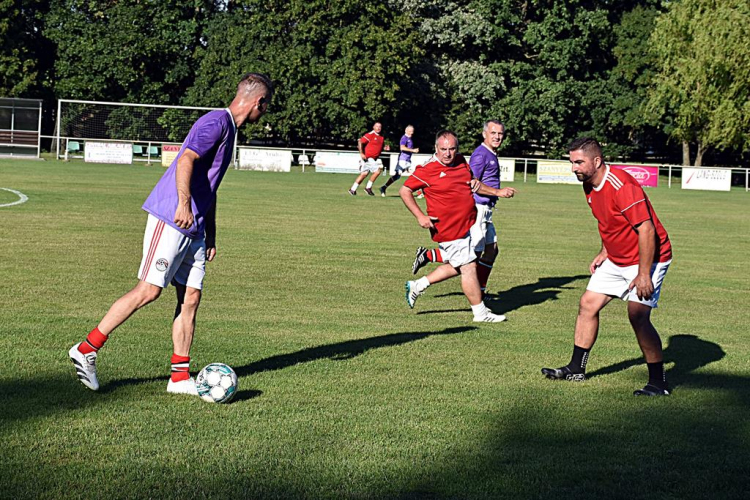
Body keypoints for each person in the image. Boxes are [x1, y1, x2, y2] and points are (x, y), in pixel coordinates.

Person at [68, 73, 274, 395]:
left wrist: (212, 232)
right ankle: (87, 348)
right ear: (259, 102)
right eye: (266, 107)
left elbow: (211, 187)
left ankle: (179, 378)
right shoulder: (216, 122)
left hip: (196, 227)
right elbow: (186, 158)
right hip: (174, 217)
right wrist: (182, 204)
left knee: (191, 297)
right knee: (149, 290)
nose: (265, 113)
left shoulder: (230, 131)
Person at [541, 137, 673, 396]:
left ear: (597, 161)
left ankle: (659, 383)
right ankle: (576, 369)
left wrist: (644, 274)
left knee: (637, 316)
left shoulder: (621, 184)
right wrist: (604, 250)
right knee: (587, 305)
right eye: (572, 162)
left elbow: (646, 230)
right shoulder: (588, 184)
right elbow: (607, 221)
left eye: (579, 162)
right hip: (617, 258)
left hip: (650, 257)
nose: (573, 168)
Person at [400, 130, 510, 323]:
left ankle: (418, 285)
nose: (448, 153)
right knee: (468, 267)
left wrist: (497, 192)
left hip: (467, 224)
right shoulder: (428, 169)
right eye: (443, 149)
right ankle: (480, 313)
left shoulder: (460, 161)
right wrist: (420, 216)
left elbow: (473, 184)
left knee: (460, 263)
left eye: (452, 149)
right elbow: (405, 190)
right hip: (447, 229)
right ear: (436, 148)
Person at [379, 125, 419, 197]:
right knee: (401, 175)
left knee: (410, 175)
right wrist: (413, 150)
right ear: (406, 131)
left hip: (408, 160)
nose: (411, 133)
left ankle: (383, 187)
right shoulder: (404, 138)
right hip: (402, 160)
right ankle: (384, 187)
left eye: (412, 131)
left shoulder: (410, 139)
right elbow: (402, 147)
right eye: (410, 131)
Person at [349, 122, 385, 196]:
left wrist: (384, 148)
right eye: (376, 126)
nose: (378, 128)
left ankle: (352, 189)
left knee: (364, 174)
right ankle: (368, 188)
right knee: (377, 171)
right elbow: (360, 141)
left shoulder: (381, 137)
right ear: (373, 127)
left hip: (373, 158)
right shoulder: (370, 134)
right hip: (368, 157)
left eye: (380, 126)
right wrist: (361, 153)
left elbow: (378, 147)